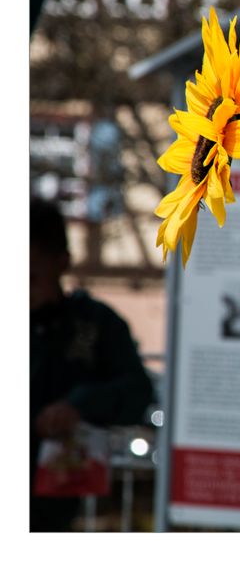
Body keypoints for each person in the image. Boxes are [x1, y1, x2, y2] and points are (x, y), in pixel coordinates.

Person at [30, 197, 154, 531]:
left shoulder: (94, 325)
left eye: (31, 278)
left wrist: (82, 404)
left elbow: (138, 391)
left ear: (62, 263)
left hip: (53, 505)